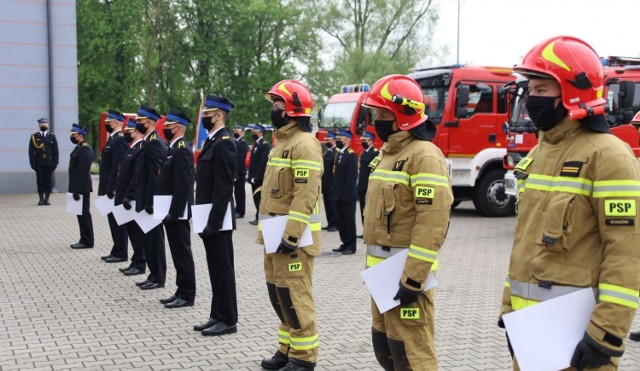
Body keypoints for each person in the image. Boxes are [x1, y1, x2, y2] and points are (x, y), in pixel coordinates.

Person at [498, 36, 640, 371]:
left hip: (577, 344)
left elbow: (626, 254)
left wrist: (605, 335)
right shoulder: (538, 153)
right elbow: (524, 244)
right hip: (532, 332)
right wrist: (509, 312)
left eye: (542, 90)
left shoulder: (609, 156)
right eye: (530, 89)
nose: (533, 99)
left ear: (572, 92)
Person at [362, 74, 453, 370]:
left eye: (383, 114)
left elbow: (432, 224)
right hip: (382, 277)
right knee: (387, 347)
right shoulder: (387, 154)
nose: (377, 119)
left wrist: (413, 280)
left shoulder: (425, 156)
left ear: (402, 115)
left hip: (405, 278)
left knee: (412, 353)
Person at [259, 80, 322, 371]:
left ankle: (304, 357)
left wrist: (292, 235)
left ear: (294, 110)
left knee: (295, 296)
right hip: (275, 235)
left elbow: (305, 195)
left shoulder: (304, 145)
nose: (274, 111)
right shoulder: (282, 142)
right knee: (278, 294)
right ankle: (286, 349)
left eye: (278, 107)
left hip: (292, 238)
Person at [193, 95, 238, 336]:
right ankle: (216, 314)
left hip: (218, 219)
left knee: (223, 270)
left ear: (218, 115)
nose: (203, 118)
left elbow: (223, 188)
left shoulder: (225, 142)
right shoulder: (212, 141)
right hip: (208, 216)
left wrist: (214, 222)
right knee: (214, 269)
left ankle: (228, 319)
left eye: (206, 114)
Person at [156, 108, 196, 309]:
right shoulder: (172, 148)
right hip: (169, 211)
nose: (165, 129)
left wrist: (177, 211)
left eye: (169, 126)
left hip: (177, 213)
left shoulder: (182, 149)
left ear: (179, 127)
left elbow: (184, 184)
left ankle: (187, 294)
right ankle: (180, 290)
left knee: (182, 252)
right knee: (176, 253)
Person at [132, 105, 168, 290]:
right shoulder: (148, 141)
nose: (137, 124)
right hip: (144, 199)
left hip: (150, 202)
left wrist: (151, 202)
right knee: (148, 239)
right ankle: (153, 274)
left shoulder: (155, 143)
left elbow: (156, 176)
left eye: (139, 121)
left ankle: (158, 277)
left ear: (149, 122)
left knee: (154, 241)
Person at [116, 119, 146, 276]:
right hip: (125, 196)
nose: (126, 133)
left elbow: (136, 176)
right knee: (131, 231)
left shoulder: (139, 149)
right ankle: (135, 261)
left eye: (129, 131)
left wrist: (129, 196)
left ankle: (140, 262)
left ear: (137, 132)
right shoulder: (130, 149)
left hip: (132, 198)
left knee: (136, 232)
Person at [99, 110, 129, 263]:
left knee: (118, 220)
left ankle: (121, 252)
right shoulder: (113, 139)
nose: (107, 125)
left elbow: (119, 165)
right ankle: (116, 249)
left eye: (109, 122)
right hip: (108, 186)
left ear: (117, 123)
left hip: (114, 187)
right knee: (112, 219)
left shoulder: (120, 139)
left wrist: (113, 187)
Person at [331, 130, 358, 255]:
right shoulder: (339, 154)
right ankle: (345, 242)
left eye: (340, 138)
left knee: (349, 220)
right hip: (338, 194)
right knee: (341, 220)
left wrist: (347, 195)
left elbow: (351, 178)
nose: (338, 140)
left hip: (347, 195)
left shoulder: (351, 155)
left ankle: (351, 246)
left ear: (347, 140)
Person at [68, 124, 95, 249]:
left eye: (74, 135)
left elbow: (82, 171)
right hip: (77, 186)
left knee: (84, 214)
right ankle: (83, 238)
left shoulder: (85, 149)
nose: (72, 137)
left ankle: (87, 240)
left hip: (81, 188)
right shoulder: (79, 147)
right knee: (80, 214)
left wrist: (77, 190)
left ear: (80, 135)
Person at [29, 118, 58, 205]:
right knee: (40, 180)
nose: (44, 125)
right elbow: (31, 151)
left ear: (47, 126)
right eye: (42, 124)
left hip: (49, 163)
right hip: (39, 162)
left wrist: (55, 162)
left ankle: (47, 199)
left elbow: (56, 150)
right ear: (39, 125)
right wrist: (32, 162)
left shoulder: (52, 136)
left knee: (48, 181)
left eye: (45, 124)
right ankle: (41, 199)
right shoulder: (34, 136)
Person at [357, 131, 378, 237]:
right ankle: (365, 230)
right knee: (362, 209)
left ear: (370, 141)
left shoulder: (375, 153)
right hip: (361, 186)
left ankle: (370, 231)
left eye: (365, 140)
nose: (363, 142)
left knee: (369, 210)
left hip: (368, 186)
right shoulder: (363, 153)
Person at [248, 123, 270, 225]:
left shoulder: (264, 145)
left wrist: (257, 176)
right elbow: (252, 162)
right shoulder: (256, 144)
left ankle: (260, 217)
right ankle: (258, 216)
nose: (253, 134)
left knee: (259, 197)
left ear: (260, 133)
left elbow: (262, 163)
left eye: (255, 132)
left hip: (259, 177)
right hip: (254, 176)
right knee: (255, 197)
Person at [321, 131, 338, 232]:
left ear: (333, 140)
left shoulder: (336, 152)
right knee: (327, 204)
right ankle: (330, 222)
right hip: (326, 182)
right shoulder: (327, 152)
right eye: (326, 139)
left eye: (328, 140)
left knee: (332, 204)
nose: (326, 141)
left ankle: (335, 224)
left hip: (332, 183)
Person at [234, 124, 249, 218]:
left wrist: (235, 172)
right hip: (236, 171)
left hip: (240, 172)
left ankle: (241, 211)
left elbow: (240, 159)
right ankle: (237, 208)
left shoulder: (243, 143)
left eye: (237, 130)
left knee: (240, 192)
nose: (235, 132)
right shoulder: (235, 142)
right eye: (234, 130)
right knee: (236, 191)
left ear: (242, 132)